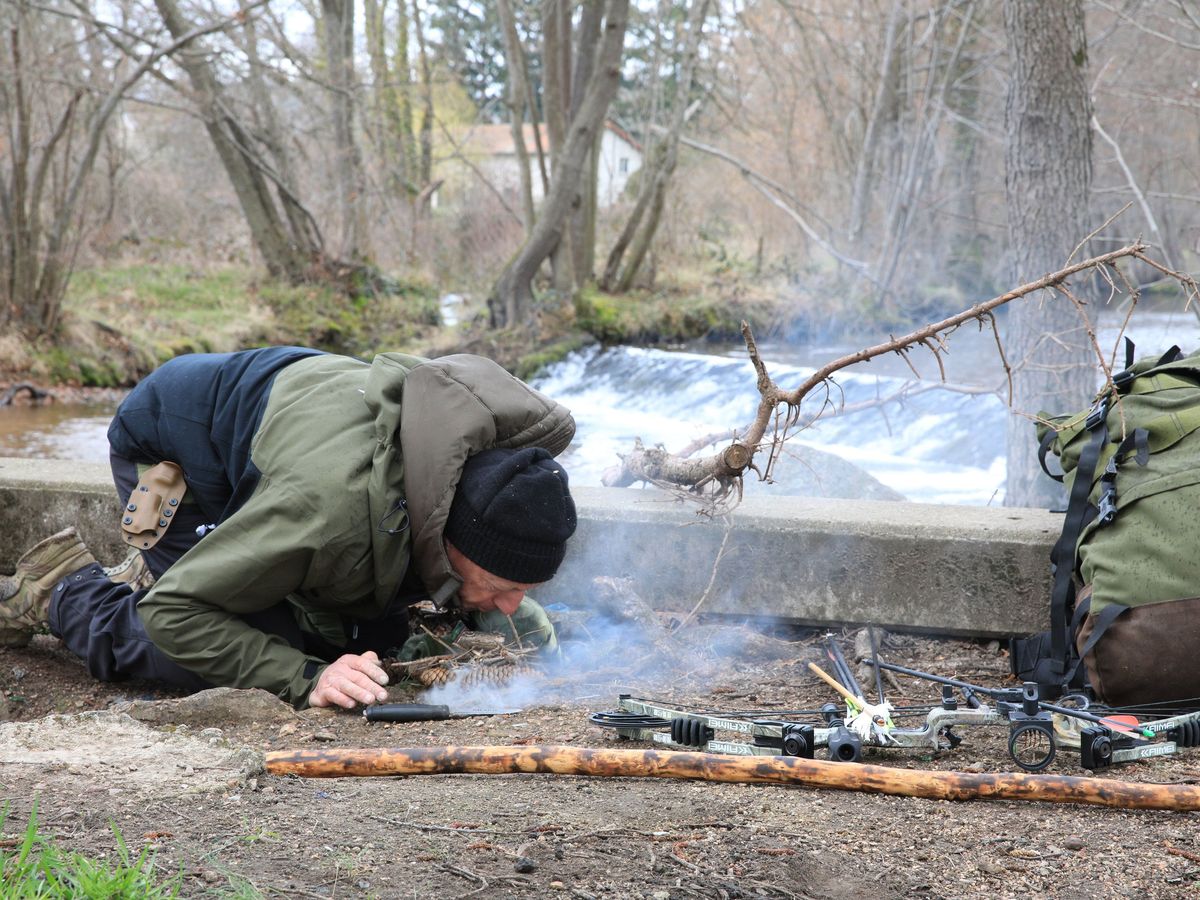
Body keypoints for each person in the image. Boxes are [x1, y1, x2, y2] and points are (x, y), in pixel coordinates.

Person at [0, 346, 577, 709]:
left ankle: (207, 567)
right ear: (453, 541)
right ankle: (62, 591)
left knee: (369, 647)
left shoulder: (478, 481)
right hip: (174, 444)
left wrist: (526, 632)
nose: (508, 605)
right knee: (251, 651)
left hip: (287, 440)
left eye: (524, 591)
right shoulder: (326, 514)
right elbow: (178, 615)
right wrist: (306, 677)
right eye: (503, 587)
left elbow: (463, 572)